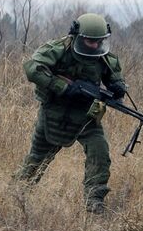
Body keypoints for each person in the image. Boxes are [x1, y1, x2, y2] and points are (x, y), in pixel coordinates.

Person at [15, 13, 126, 213]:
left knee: (99, 153)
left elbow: (114, 76)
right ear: (77, 35)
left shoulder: (103, 58)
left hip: (86, 115)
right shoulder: (58, 49)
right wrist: (62, 87)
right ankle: (17, 194)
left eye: (98, 41)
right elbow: (32, 68)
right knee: (38, 159)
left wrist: (118, 86)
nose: (94, 46)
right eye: (90, 41)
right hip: (54, 113)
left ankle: (94, 202)